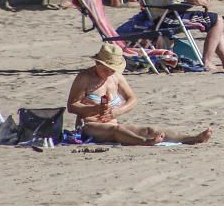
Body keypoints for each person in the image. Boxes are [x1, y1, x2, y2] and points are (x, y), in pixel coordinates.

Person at [66, 44, 212, 146]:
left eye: (112, 69)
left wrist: (118, 111)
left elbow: (133, 99)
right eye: (106, 69)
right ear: (98, 64)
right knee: (117, 131)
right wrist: (95, 109)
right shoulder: (84, 78)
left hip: (112, 121)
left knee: (150, 130)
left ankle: (192, 138)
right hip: (89, 126)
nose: (109, 72)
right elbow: (72, 106)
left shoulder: (116, 77)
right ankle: (145, 142)